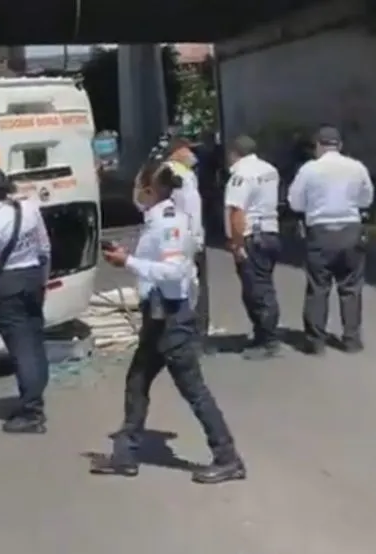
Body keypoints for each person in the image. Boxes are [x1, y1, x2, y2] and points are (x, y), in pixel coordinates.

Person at [89, 162, 246, 483]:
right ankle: (125, 454)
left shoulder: (169, 223)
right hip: (159, 316)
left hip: (172, 319)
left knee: (194, 390)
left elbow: (174, 271)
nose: (133, 191)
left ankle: (227, 457)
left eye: (137, 185)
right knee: (137, 380)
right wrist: (126, 257)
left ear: (149, 190)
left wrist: (128, 261)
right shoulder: (160, 219)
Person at [0, 167, 53, 434]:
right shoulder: (28, 208)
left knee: (21, 349)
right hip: (32, 279)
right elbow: (44, 247)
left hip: (8, 288)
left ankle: (31, 411)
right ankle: (35, 397)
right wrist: (42, 280)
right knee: (34, 342)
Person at [287, 126, 374, 355]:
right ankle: (351, 340)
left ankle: (316, 342)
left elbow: (295, 202)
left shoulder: (309, 169)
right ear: (340, 146)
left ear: (318, 145)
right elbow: (367, 198)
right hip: (351, 231)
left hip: (320, 232)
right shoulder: (357, 167)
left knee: (318, 287)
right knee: (351, 287)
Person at [224, 135, 283, 360]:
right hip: (270, 233)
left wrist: (236, 243)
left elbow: (237, 212)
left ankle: (268, 341)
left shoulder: (240, 175)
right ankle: (263, 334)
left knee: (257, 290)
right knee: (263, 285)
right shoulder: (269, 169)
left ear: (234, 153)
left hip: (252, 237)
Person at [163, 138, 213, 354]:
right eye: (188, 150)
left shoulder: (168, 173)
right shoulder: (180, 175)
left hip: (174, 238)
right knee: (194, 288)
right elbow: (192, 210)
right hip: (186, 240)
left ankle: (182, 334)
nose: (192, 154)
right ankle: (195, 336)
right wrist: (196, 240)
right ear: (176, 152)